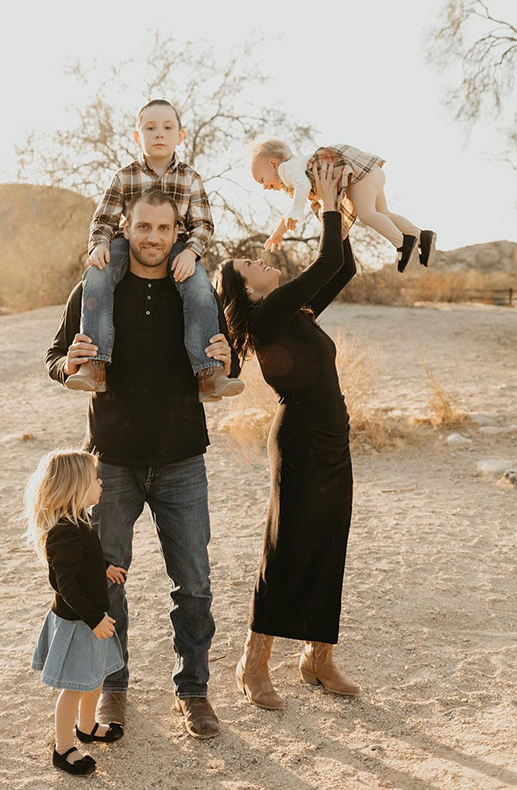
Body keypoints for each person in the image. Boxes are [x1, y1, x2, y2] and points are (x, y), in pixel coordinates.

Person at [45, 188, 240, 739]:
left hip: (182, 459)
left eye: (164, 228)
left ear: (179, 231)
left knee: (194, 584)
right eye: (143, 228)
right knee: (106, 583)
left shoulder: (195, 290)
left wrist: (228, 357)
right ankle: (113, 689)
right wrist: (70, 365)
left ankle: (194, 692)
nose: (153, 238)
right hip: (110, 464)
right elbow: (54, 356)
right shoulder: (95, 290)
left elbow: (228, 359)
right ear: (124, 229)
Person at [215, 159, 361, 710]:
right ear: (247, 291)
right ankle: (252, 663)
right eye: (249, 263)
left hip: (333, 438)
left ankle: (318, 658)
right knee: (288, 548)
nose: (261, 259)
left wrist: (342, 205)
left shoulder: (293, 311)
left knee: (329, 542)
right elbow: (323, 257)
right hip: (299, 441)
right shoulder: (270, 313)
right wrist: (322, 200)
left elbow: (340, 268)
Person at [66, 98, 243, 403]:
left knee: (200, 286)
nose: (159, 133)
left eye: (167, 127)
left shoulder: (190, 178)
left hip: (178, 245)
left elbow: (203, 225)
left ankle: (209, 372)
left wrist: (191, 252)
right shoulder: (125, 176)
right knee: (96, 276)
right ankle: (93, 365)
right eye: (150, 128)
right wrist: (98, 245)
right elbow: (105, 218)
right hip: (127, 242)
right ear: (138, 137)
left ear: (180, 136)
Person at [25, 449, 126, 776]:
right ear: (75, 488)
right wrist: (94, 619)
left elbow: (85, 565)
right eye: (94, 480)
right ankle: (63, 747)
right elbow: (65, 584)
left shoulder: (80, 521)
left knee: (95, 677)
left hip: (91, 617)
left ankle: (87, 726)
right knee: (75, 685)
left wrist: (105, 569)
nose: (100, 484)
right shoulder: (65, 532)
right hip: (79, 621)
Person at [251, 138, 436, 272]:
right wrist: (279, 232)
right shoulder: (296, 168)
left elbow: (303, 186)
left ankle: (402, 243)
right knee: (383, 213)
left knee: (367, 214)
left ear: (273, 163)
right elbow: (297, 198)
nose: (265, 187)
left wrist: (296, 209)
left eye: (262, 180)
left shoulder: (285, 169)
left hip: (357, 174)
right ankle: (422, 236)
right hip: (367, 171)